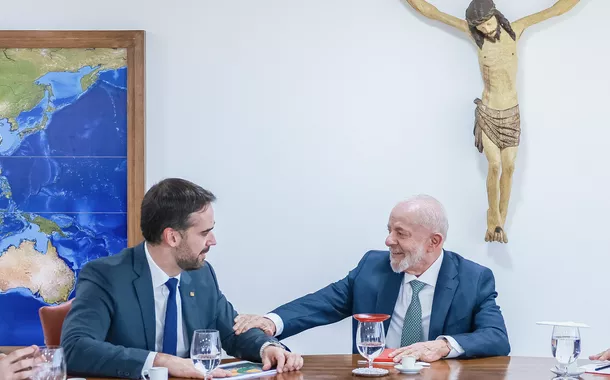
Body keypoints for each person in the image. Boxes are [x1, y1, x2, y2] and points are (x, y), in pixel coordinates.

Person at [61, 178, 303, 379]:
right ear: (172, 237)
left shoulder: (202, 275)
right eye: (205, 233)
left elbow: (232, 332)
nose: (213, 241)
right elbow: (75, 347)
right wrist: (161, 362)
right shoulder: (106, 275)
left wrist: (267, 347)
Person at [234, 195, 510, 362]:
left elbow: (496, 338)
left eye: (401, 233)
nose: (389, 240)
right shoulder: (373, 266)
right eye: (389, 230)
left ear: (433, 241)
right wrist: (271, 321)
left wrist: (442, 346)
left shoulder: (474, 278)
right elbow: (322, 303)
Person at [404, 0, 580, 243]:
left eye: (488, 23)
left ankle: (500, 225)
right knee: (494, 166)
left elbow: (552, 10)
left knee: (509, 168)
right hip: (488, 113)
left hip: (510, 114)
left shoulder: (516, 29)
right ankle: (492, 221)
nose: (486, 29)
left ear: (496, 16)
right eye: (481, 26)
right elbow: (434, 13)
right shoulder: (474, 34)